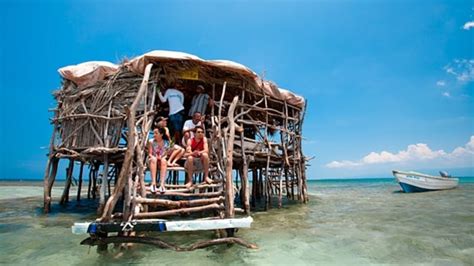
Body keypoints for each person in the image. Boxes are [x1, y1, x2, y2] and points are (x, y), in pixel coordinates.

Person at [148, 127, 169, 193]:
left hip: (161, 160)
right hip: (152, 160)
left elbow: (166, 154)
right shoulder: (151, 141)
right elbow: (150, 154)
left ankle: (162, 184)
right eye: (154, 133)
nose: (154, 134)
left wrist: (161, 157)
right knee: (154, 159)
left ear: (161, 134)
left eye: (156, 133)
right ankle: (153, 183)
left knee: (164, 160)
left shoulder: (166, 142)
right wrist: (156, 157)